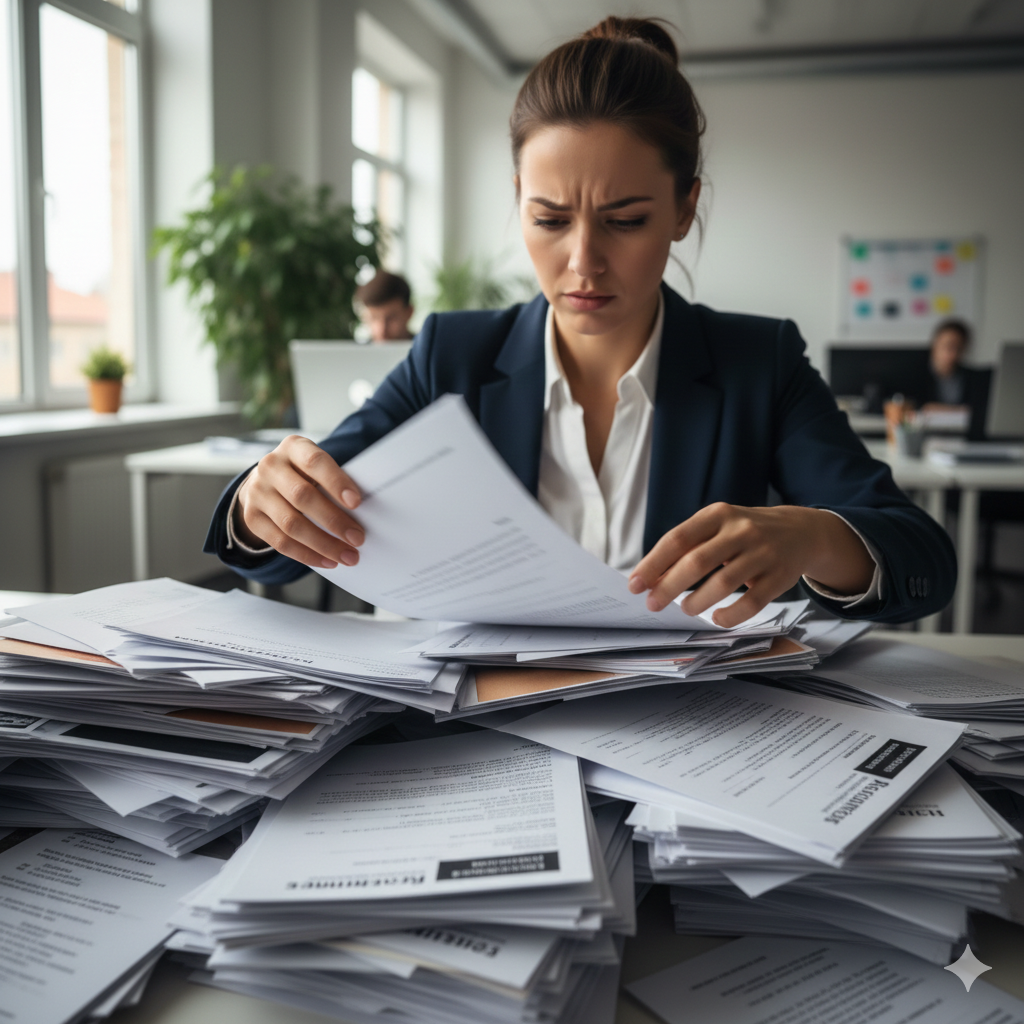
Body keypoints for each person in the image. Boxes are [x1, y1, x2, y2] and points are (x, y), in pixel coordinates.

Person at [206, 17, 955, 626]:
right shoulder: (453, 356)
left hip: (684, 740)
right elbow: (278, 547)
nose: (583, 263)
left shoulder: (757, 362)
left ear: (685, 208)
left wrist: (815, 537)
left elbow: (924, 560)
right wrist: (261, 501)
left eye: (625, 221)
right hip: (481, 739)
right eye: (550, 219)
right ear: (519, 199)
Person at [921, 317, 988, 417]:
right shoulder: (914, 375)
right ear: (935, 344)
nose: (953, 354)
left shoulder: (973, 379)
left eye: (959, 349)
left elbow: (977, 410)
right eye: (948, 346)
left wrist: (938, 409)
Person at [355, 271, 415, 342]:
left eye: (391, 318)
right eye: (374, 318)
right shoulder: (357, 352)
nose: (382, 329)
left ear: (409, 313)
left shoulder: (428, 350)